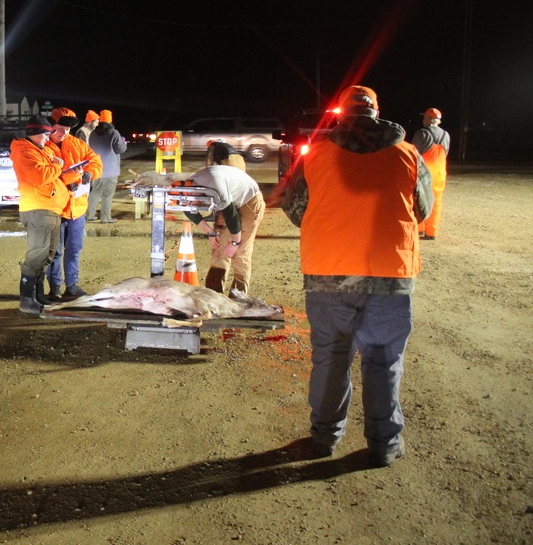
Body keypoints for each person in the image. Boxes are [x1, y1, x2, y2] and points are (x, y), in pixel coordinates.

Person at [281, 85, 433, 468]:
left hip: (327, 274)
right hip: (389, 274)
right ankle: (383, 444)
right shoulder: (408, 153)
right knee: (383, 360)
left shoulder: (316, 154)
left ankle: (324, 437)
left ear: (341, 114)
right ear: (376, 111)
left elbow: (295, 209)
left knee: (331, 357)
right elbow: (423, 209)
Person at [10, 114, 70, 314]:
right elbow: (39, 176)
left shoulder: (39, 150)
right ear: (35, 134)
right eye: (45, 134)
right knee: (37, 255)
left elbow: (49, 175)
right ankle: (27, 300)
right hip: (38, 209)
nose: (48, 138)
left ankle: (38, 296)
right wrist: (57, 165)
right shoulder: (25, 152)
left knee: (48, 254)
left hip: (50, 209)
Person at [44, 108, 103, 300]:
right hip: (55, 208)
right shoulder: (43, 148)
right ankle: (55, 287)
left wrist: (90, 173)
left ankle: (72, 285)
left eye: (67, 130)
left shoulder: (77, 144)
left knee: (75, 248)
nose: (64, 133)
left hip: (77, 208)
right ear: (50, 127)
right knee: (55, 250)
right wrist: (68, 177)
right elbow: (43, 175)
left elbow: (95, 161)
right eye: (59, 129)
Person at [182, 162, 265, 295]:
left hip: (249, 200)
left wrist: (234, 242)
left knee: (240, 252)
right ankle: (213, 296)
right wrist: (210, 232)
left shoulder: (216, 188)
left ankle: (238, 299)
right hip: (229, 198)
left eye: (193, 201)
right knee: (219, 248)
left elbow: (231, 216)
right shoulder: (191, 186)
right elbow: (188, 209)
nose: (192, 204)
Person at [411, 108, 450, 240]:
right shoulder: (446, 135)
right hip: (439, 173)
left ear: (429, 119)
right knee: (436, 201)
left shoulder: (422, 133)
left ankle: (419, 229)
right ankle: (432, 232)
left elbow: (413, 153)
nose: (423, 120)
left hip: (424, 173)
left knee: (419, 199)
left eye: (424, 117)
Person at [87, 109, 127, 223]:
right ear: (110, 121)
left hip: (97, 168)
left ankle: (89, 215)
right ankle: (105, 217)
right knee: (107, 194)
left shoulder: (93, 133)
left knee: (95, 192)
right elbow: (120, 149)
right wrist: (124, 144)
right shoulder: (114, 133)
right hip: (110, 170)